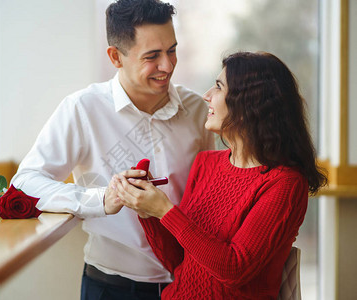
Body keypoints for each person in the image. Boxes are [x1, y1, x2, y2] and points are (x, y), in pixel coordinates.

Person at [10, 0, 215, 299]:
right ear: (115, 57)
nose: (168, 65)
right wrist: (101, 199)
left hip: (193, 284)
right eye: (152, 56)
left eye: (172, 50)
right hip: (111, 288)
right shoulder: (83, 109)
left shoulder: (198, 110)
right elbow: (25, 182)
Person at [113, 51, 328, 299]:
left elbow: (234, 268)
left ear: (250, 102)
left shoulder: (285, 183)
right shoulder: (206, 163)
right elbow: (177, 260)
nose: (206, 96)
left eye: (218, 87)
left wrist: (165, 211)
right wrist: (148, 212)